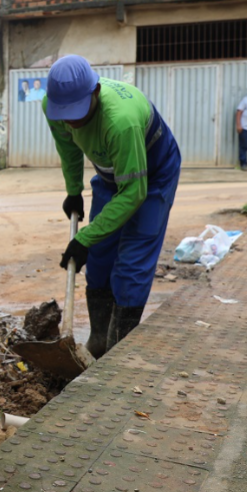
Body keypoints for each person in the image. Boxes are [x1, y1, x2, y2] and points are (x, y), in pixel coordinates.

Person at [43, 55, 182, 359]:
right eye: (64, 114)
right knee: (100, 254)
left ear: (95, 93)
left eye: (77, 113)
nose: (71, 121)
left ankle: (118, 351)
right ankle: (98, 340)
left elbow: (133, 193)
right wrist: (73, 191)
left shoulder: (121, 120)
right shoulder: (53, 108)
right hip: (109, 173)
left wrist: (83, 238)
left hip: (153, 175)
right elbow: (68, 150)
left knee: (131, 261)